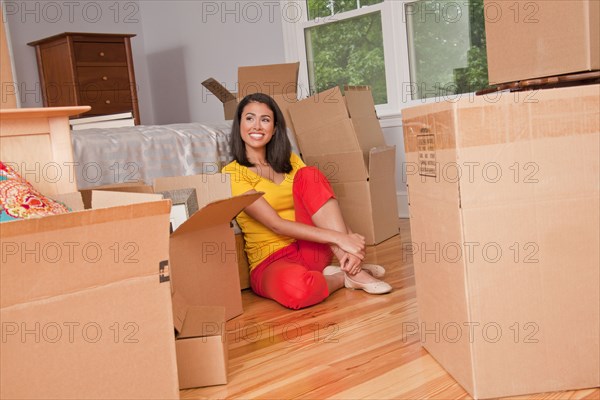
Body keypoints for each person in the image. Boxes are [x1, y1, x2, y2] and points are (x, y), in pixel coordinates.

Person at [222, 92, 392, 310]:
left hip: (311, 250)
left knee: (310, 175)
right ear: (239, 126)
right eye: (249, 118)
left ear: (274, 129)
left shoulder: (291, 161)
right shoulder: (231, 174)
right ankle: (344, 277)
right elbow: (276, 224)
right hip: (271, 261)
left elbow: (321, 202)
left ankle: (354, 270)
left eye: (265, 120)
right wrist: (342, 239)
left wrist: (350, 245)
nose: (257, 126)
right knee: (300, 292)